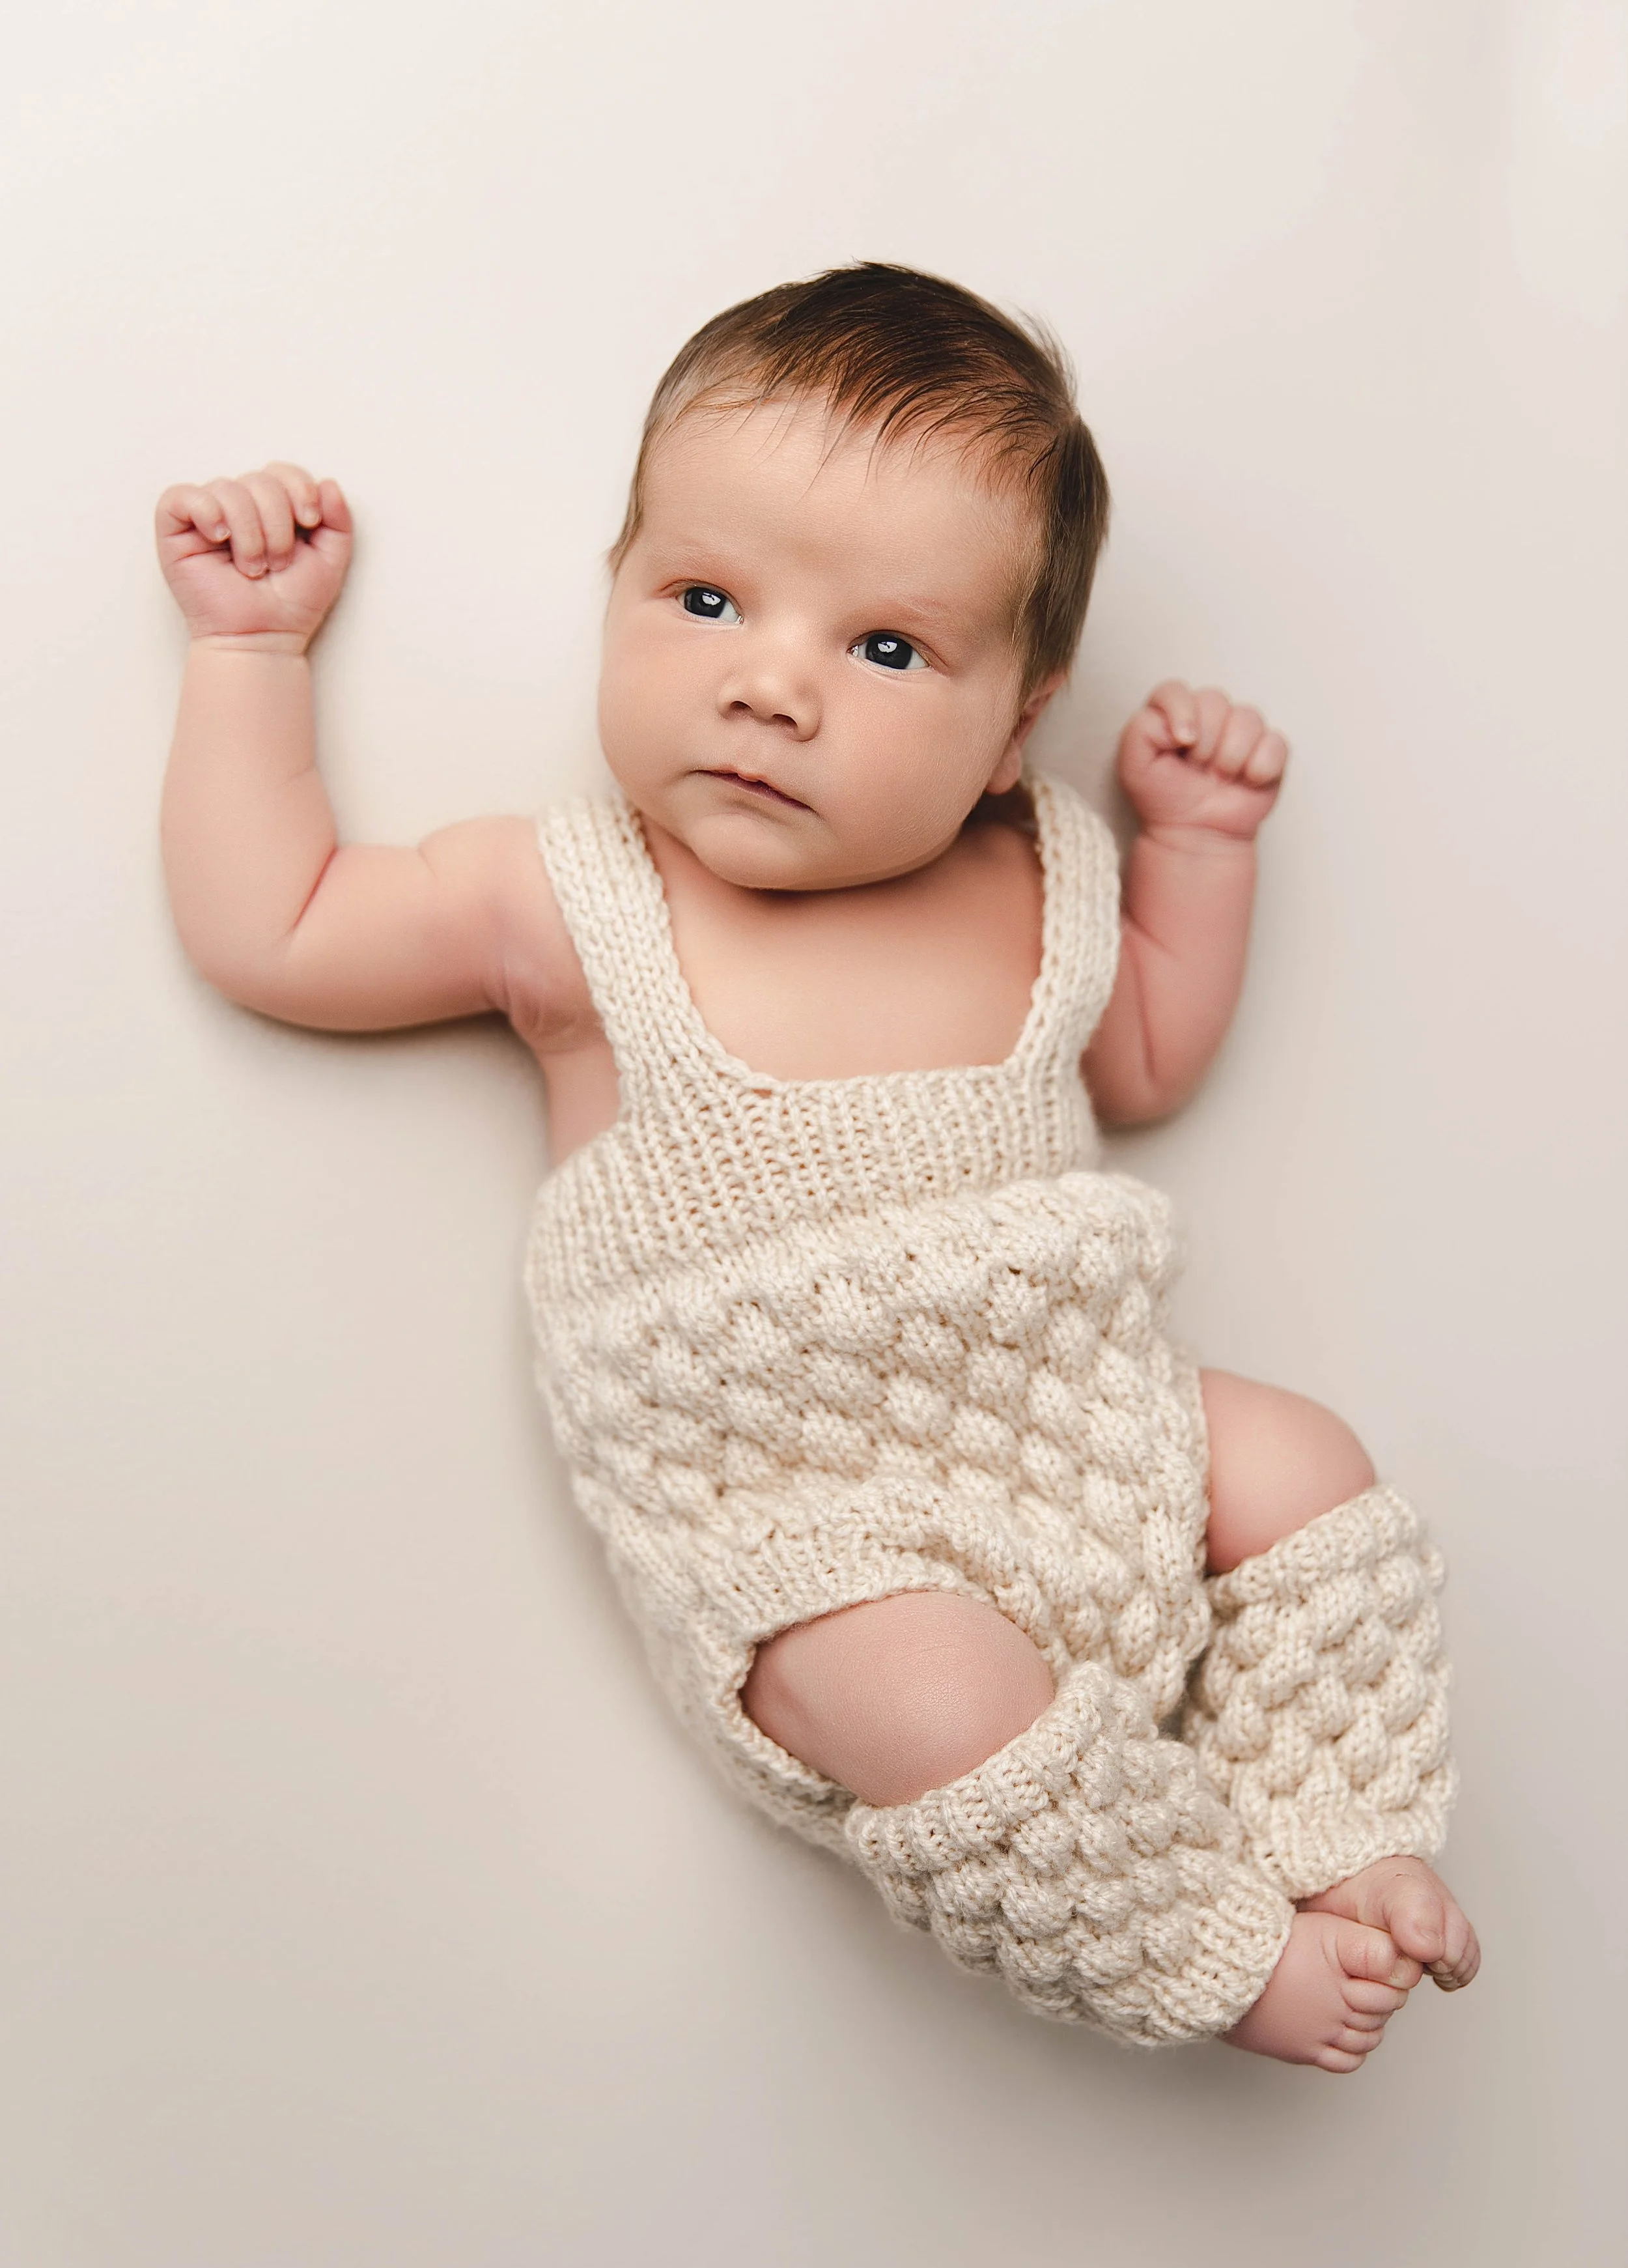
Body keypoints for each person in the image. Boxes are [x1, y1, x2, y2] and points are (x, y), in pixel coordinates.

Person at [155, 262, 1479, 2067]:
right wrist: (250, 655)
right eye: (704, 597)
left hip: (1087, 1417)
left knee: (1301, 1460)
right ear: (612, 592)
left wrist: (1195, 846)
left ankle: (1347, 1836)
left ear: (1016, 730)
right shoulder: (569, 899)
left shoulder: (1040, 874)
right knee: (923, 1686)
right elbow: (283, 926)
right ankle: (1217, 1949)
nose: (771, 686)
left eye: (885, 649)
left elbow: (1148, 1059)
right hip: (798, 1530)